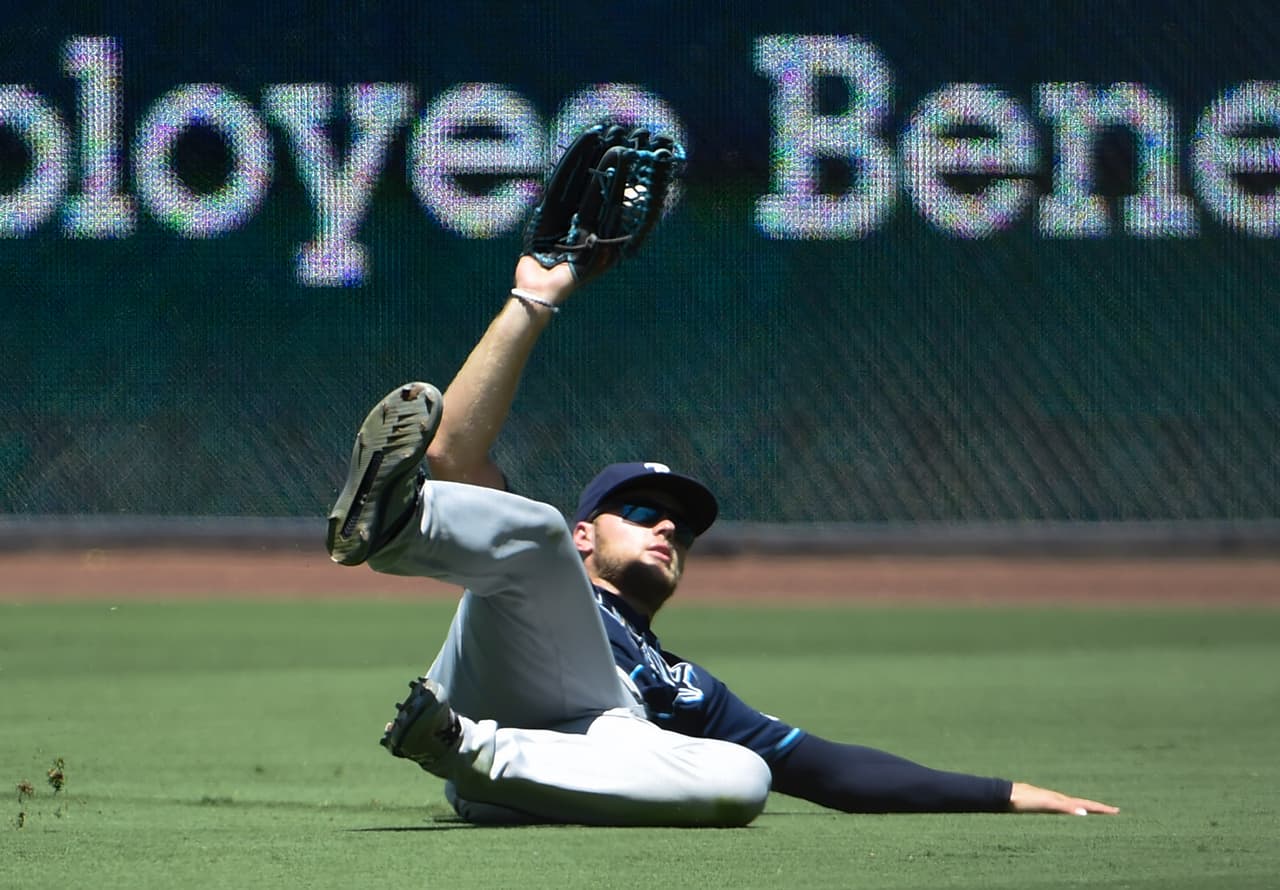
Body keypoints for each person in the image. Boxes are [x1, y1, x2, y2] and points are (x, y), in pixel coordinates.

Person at [325, 132, 1118, 827]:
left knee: (747, 777)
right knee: (524, 527)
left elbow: (828, 770)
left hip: (538, 762)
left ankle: (458, 745)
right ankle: (395, 528)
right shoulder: (556, 561)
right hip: (486, 677)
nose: (668, 527)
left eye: (682, 523)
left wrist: (1000, 792)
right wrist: (533, 298)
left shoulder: (685, 687)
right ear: (589, 533)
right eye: (639, 510)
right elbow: (453, 458)